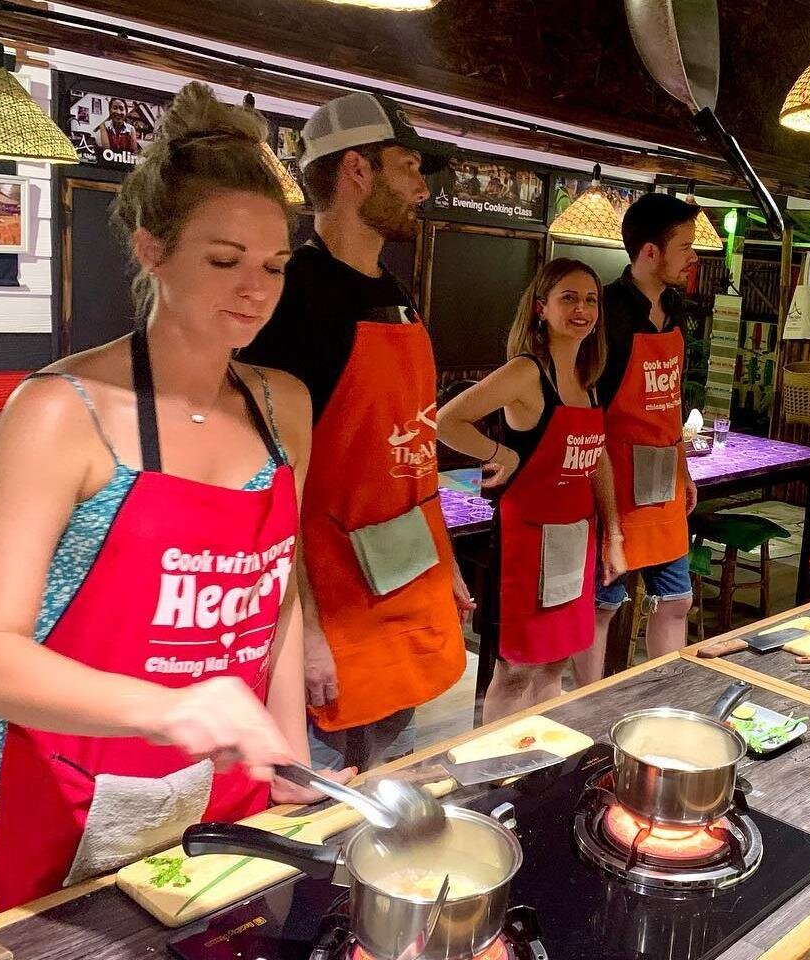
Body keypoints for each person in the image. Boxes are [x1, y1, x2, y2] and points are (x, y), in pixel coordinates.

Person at [0, 83, 343, 930]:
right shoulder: (60, 411)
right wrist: (171, 707)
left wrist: (288, 757)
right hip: (60, 791)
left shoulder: (283, 405)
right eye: (223, 261)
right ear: (152, 249)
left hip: (219, 791)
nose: (254, 290)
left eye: (272, 267)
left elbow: (276, 595)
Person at [240, 92, 468, 772]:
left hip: (404, 590)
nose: (422, 189)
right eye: (410, 167)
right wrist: (304, 633)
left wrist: (448, 568)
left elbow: (413, 452)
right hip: (333, 615)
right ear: (357, 171)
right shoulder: (296, 299)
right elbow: (269, 488)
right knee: (325, 807)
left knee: (396, 782)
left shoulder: (392, 292)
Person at [436, 259, 624, 720]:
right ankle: (500, 759)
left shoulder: (587, 379)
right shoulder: (526, 371)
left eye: (591, 300)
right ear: (541, 307)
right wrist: (500, 453)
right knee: (516, 671)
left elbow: (597, 457)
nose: (582, 310)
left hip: (574, 541)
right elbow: (446, 421)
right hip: (526, 544)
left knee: (554, 663)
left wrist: (614, 533)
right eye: (568, 298)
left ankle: (540, 755)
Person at [582, 193, 700, 685]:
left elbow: (672, 401)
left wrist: (684, 470)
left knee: (676, 599)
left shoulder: (675, 308)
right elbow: (588, 412)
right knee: (604, 604)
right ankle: (589, 703)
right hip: (614, 478)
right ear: (650, 252)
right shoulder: (606, 312)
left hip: (665, 480)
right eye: (685, 246)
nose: (694, 256)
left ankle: (662, 697)